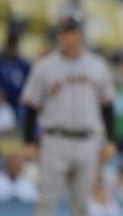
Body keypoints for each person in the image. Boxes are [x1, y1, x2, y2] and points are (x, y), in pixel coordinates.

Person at [20, 13, 117, 216]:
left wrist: (111, 140)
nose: (64, 37)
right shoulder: (44, 66)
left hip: (87, 142)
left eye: (69, 32)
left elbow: (108, 106)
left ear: (80, 34)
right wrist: (28, 141)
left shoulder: (98, 66)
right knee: (47, 202)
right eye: (61, 33)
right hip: (55, 140)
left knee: (82, 205)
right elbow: (30, 107)